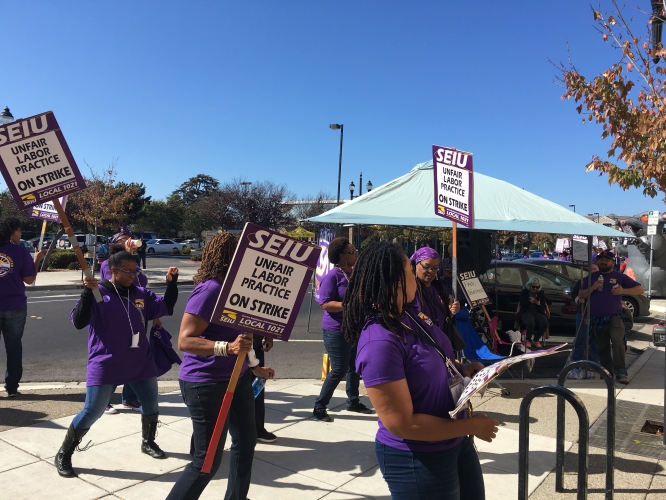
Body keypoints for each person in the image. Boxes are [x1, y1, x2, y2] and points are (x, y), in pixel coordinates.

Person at [343, 242, 499, 500]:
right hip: (417, 458)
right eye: (410, 269)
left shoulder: (410, 313)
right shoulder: (380, 343)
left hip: (453, 441)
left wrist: (464, 371)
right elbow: (402, 424)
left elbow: (435, 359)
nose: (418, 274)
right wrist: (472, 426)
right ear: (397, 281)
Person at [166, 232, 275, 500]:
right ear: (231, 257)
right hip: (205, 384)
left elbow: (241, 339)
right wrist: (226, 349)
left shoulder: (239, 291)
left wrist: (253, 366)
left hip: (237, 379)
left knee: (246, 443)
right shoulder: (212, 289)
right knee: (206, 463)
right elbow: (185, 340)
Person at [54, 251, 179, 477]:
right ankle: (64, 452)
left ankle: (148, 442)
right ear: (114, 271)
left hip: (139, 361)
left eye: (135, 271)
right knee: (92, 411)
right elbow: (79, 322)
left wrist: (172, 285)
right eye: (128, 271)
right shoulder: (98, 293)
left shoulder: (141, 293)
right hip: (106, 362)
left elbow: (166, 307)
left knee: (151, 404)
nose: (133, 275)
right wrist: (85, 293)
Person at [312, 236, 373, 423]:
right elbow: (325, 303)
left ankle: (353, 401)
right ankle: (319, 406)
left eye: (355, 251)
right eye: (352, 252)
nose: (356, 255)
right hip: (335, 330)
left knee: (354, 367)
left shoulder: (355, 274)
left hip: (354, 328)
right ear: (341, 256)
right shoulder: (333, 276)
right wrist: (348, 305)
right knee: (338, 369)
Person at [578, 249, 643, 384]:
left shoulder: (619, 277)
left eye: (607, 260)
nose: (603, 262)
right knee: (603, 346)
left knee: (618, 340)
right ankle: (607, 372)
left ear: (613, 262)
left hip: (615, 317)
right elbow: (581, 295)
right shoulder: (591, 278)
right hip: (597, 318)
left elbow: (640, 289)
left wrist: (623, 291)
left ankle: (621, 371)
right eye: (601, 259)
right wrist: (593, 287)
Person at [101, 238, 149, 414]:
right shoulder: (108, 264)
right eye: (123, 239)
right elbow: (114, 285)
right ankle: (104, 400)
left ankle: (129, 398)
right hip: (116, 319)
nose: (129, 241)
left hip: (135, 315)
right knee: (114, 360)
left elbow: (141, 283)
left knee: (133, 357)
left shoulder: (132, 263)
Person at [0, 217, 46, 397]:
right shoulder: (20, 252)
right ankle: (11, 387)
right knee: (13, 347)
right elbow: (29, 279)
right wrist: (36, 260)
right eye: (19, 230)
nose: (21, 233)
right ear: (11, 232)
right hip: (15, 306)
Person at [410, 247, 461, 344]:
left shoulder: (437, 289)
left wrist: (451, 311)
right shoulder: (410, 290)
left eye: (435, 268)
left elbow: (442, 318)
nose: (431, 271)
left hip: (439, 345)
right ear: (416, 265)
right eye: (426, 267)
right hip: (420, 347)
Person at [567, 264, 600, 379]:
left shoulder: (601, 282)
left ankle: (593, 363)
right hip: (583, 313)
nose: (593, 270)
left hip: (597, 314)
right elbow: (574, 294)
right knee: (581, 339)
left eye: (595, 269)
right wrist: (578, 299)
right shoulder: (582, 281)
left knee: (595, 340)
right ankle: (576, 362)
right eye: (591, 269)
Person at [252, 334, 277, 443]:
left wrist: (269, 335)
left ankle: (257, 430)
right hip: (230, 347)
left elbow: (267, 316)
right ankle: (201, 446)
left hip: (255, 347)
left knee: (256, 390)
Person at [517, 277, 549, 349]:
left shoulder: (541, 293)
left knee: (545, 323)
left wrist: (539, 304)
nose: (535, 288)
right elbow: (521, 304)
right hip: (526, 310)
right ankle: (528, 339)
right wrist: (529, 302)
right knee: (530, 323)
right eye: (533, 286)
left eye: (537, 287)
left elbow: (543, 306)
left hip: (537, 311)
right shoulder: (524, 292)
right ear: (529, 285)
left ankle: (536, 339)